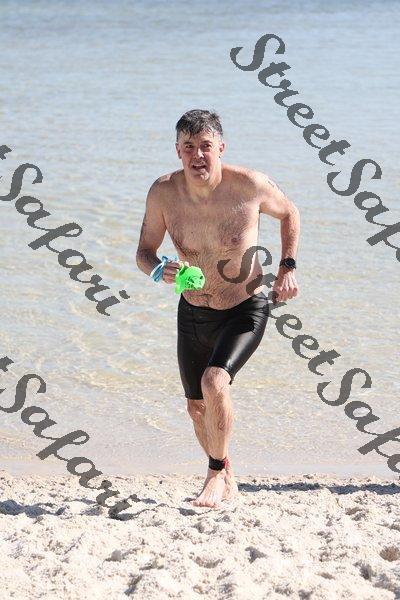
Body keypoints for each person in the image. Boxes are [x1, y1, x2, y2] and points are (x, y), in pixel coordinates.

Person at [136, 109, 300, 508]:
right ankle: (226, 473)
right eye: (189, 147)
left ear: (221, 148)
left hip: (245, 305)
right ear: (177, 150)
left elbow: (290, 213)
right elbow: (144, 252)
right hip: (193, 309)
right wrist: (159, 270)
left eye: (206, 146)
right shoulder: (163, 193)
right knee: (196, 407)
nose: (198, 155)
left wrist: (287, 268)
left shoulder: (250, 186)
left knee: (214, 382)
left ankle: (212, 474)